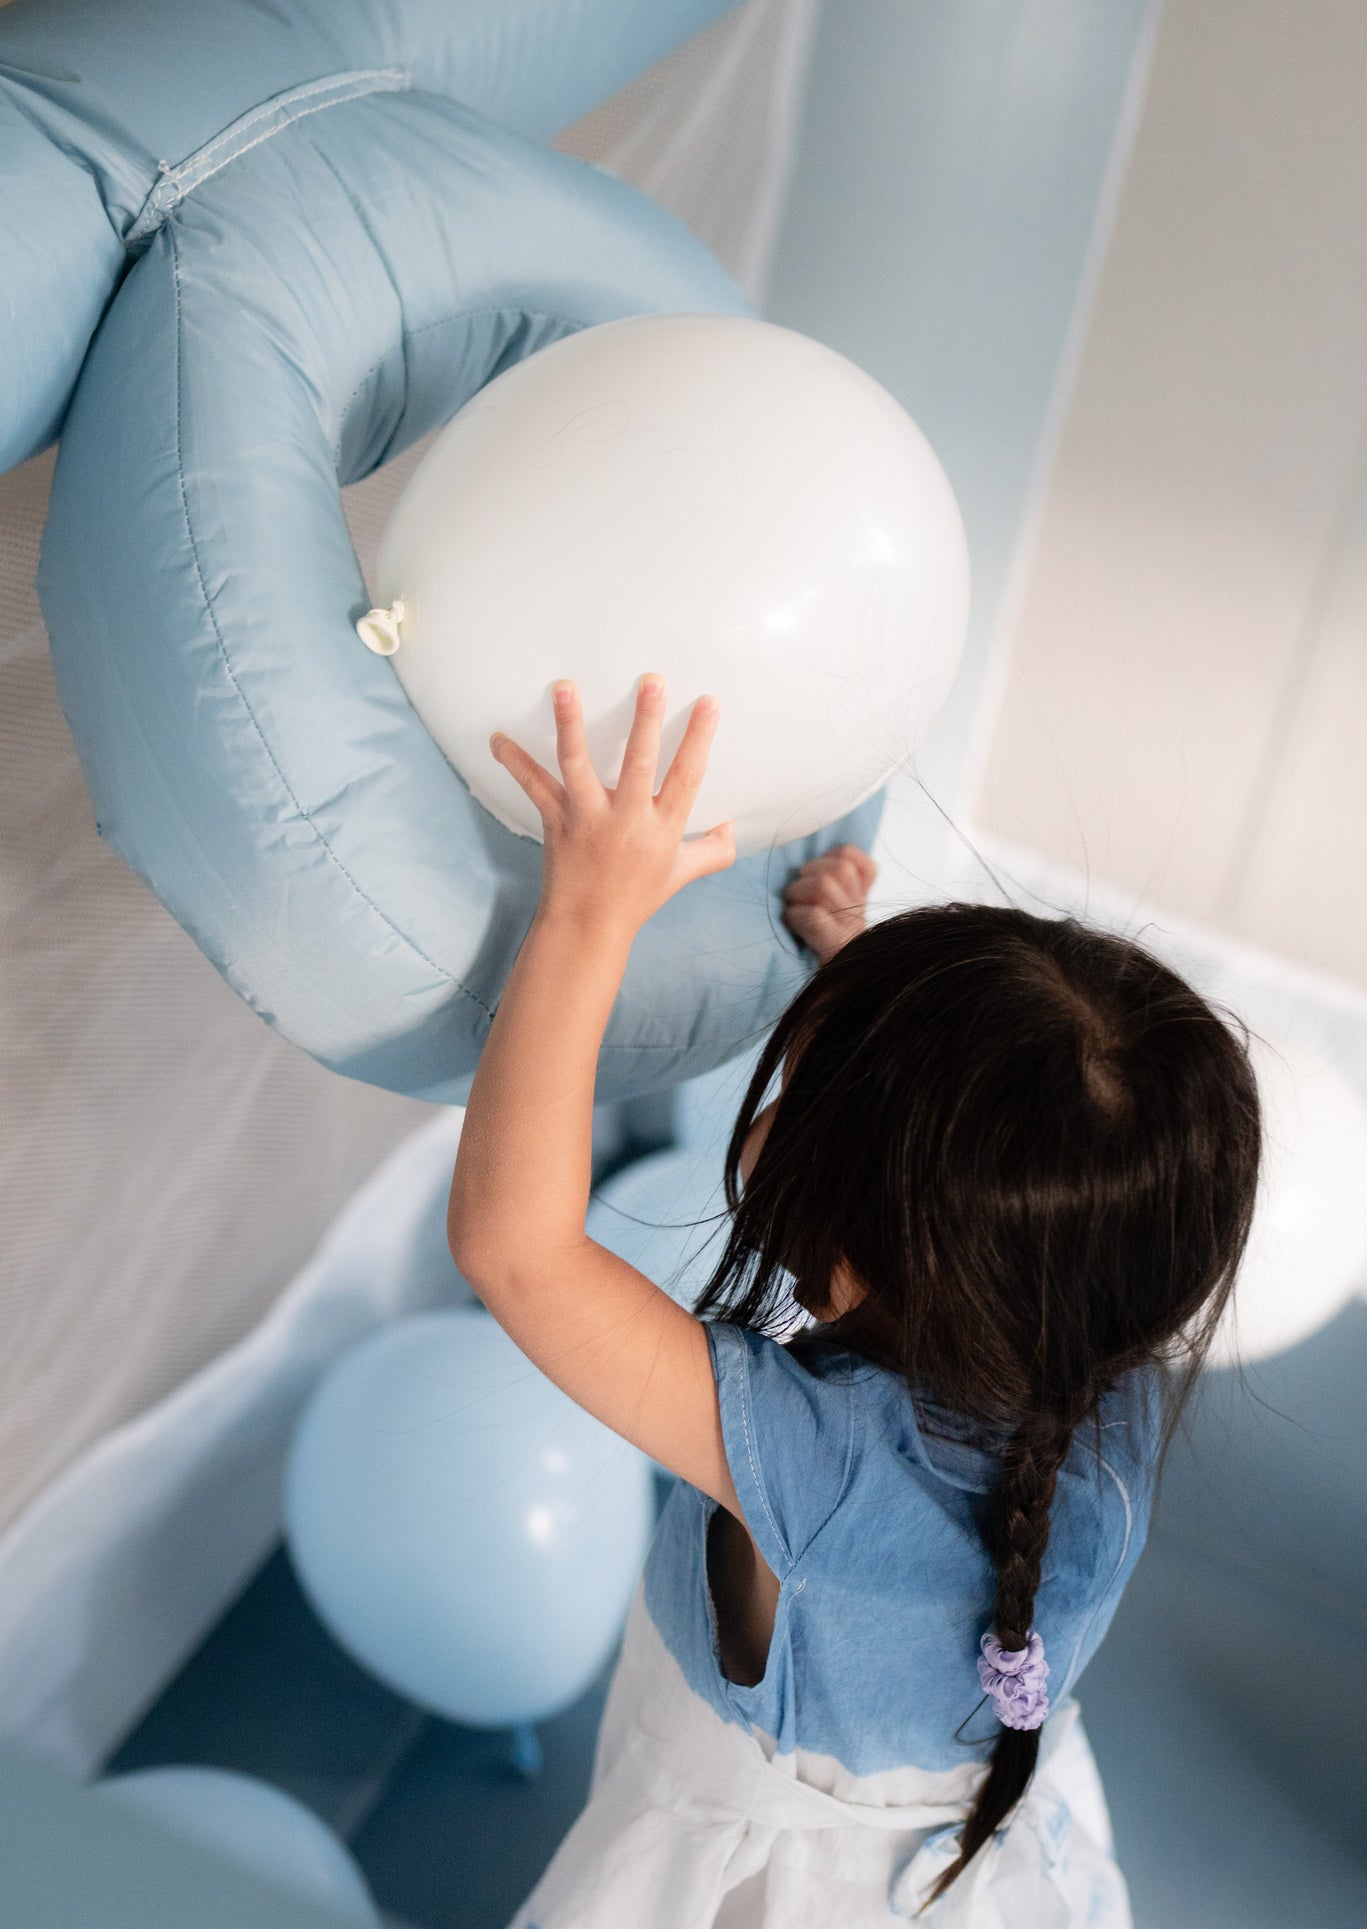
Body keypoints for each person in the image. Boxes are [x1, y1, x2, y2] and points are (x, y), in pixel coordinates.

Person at [447, 676, 1261, 1927]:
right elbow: (991, 1187)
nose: (782, 1095)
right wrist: (865, 984)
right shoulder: (1094, 1347)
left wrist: (588, 915)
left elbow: (516, 1250)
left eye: (815, 1095)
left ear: (873, 1256)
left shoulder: (821, 1471)